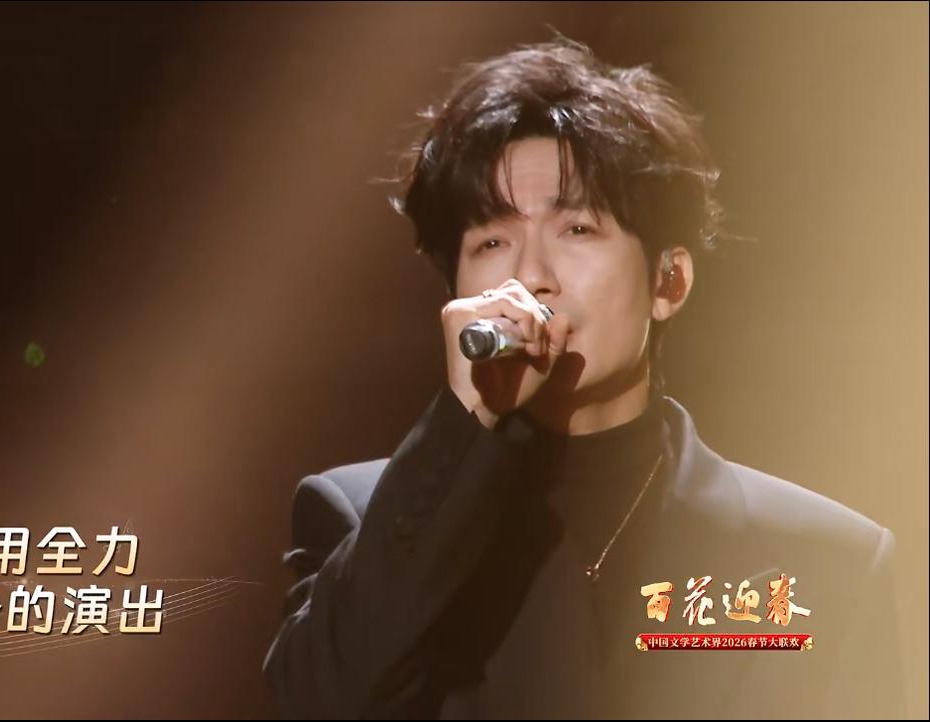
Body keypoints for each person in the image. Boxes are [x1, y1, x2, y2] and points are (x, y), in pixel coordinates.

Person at [263, 38, 906, 719]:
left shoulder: (826, 561)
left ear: (668, 282)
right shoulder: (363, 518)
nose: (530, 275)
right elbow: (316, 702)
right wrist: (463, 424)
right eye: (491, 241)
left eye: (576, 229)